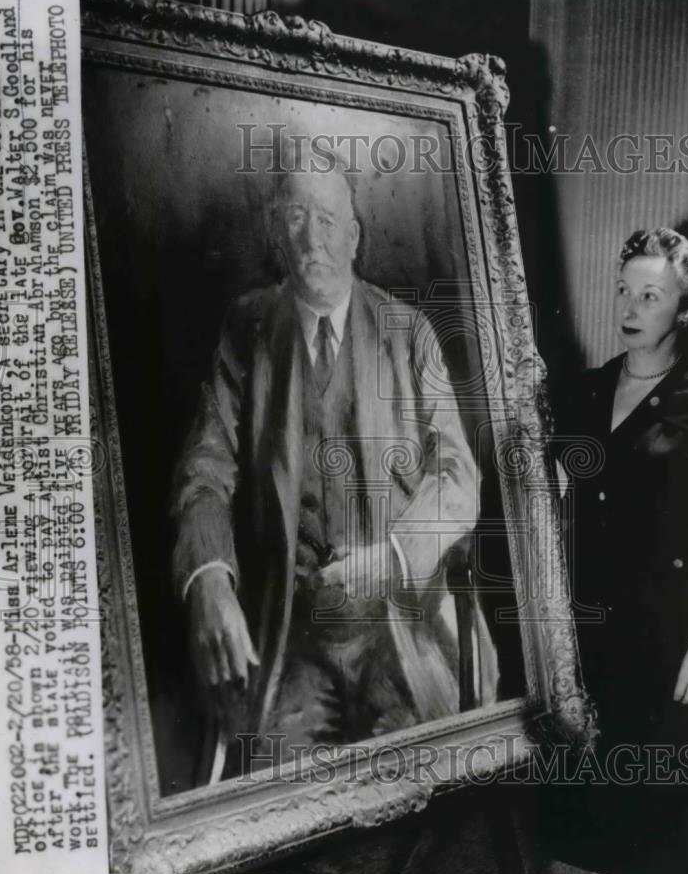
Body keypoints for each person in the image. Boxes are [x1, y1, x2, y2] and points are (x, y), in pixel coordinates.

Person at [171, 161, 490, 781]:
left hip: (400, 625)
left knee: (413, 787)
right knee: (280, 794)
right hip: (290, 632)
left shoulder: (409, 331)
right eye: (295, 217)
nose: (311, 237)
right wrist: (208, 575)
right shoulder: (247, 330)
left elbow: (458, 478)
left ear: (354, 235)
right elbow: (204, 469)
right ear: (274, 233)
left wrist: (396, 554)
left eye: (327, 220)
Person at [546, 227, 688, 874]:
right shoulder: (584, 393)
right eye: (624, 291)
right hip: (587, 631)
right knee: (581, 826)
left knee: (654, 830)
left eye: (649, 297)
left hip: (668, 636)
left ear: (686, 309)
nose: (627, 309)